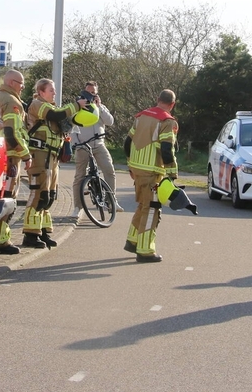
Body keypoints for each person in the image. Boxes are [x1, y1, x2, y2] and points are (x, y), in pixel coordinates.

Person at [24, 79, 86, 249]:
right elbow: (55, 116)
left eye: (54, 90)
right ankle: (30, 235)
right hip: (40, 155)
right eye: (51, 90)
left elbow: (63, 119)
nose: (54, 93)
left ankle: (43, 233)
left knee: (49, 197)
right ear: (41, 92)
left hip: (52, 157)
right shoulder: (37, 104)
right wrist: (76, 105)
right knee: (39, 195)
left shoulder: (52, 107)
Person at [123, 89, 179, 263]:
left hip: (137, 169)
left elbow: (127, 142)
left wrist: (130, 163)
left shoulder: (141, 116)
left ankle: (133, 241)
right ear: (172, 104)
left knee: (143, 206)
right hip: (152, 172)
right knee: (152, 209)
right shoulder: (166, 121)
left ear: (157, 99)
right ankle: (145, 250)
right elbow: (167, 150)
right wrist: (172, 173)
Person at [0, 70, 31, 255]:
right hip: (9, 156)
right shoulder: (12, 102)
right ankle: (1, 240)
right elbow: (12, 132)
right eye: (21, 83)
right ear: (11, 82)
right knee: (8, 197)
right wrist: (26, 155)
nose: (22, 87)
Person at [69, 81, 119, 218]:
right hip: (83, 146)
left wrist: (100, 107)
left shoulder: (100, 107)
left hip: (99, 145)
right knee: (79, 176)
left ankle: (111, 201)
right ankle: (77, 207)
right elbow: (71, 126)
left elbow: (110, 121)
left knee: (109, 170)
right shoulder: (78, 106)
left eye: (93, 92)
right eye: (88, 92)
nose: (91, 95)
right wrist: (76, 142)